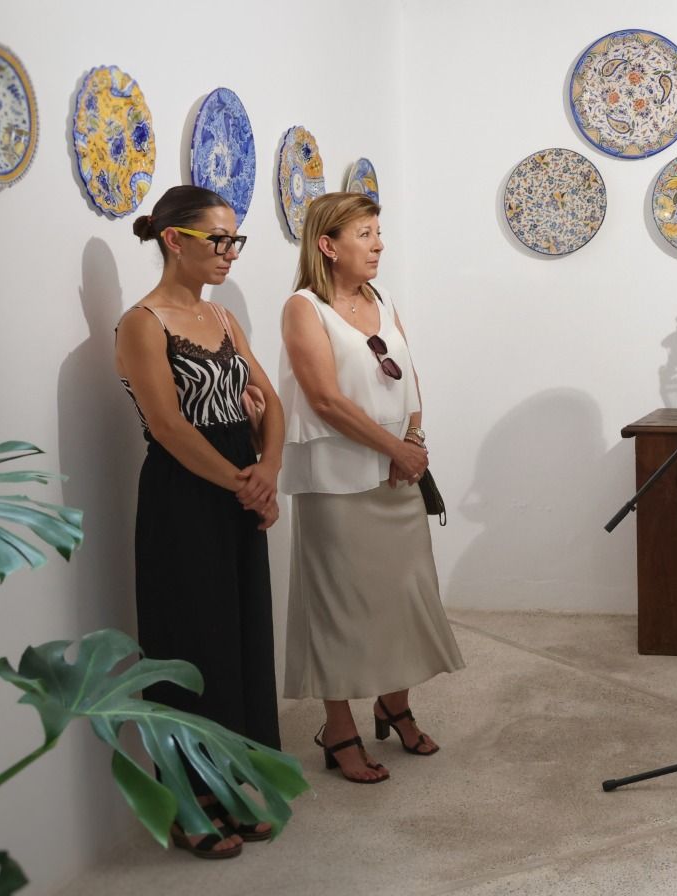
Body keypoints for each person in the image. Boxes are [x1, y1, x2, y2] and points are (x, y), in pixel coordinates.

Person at [115, 185, 283, 858]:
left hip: (241, 488)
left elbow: (269, 400)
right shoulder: (142, 321)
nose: (228, 253)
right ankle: (188, 804)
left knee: (240, 639)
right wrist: (246, 481)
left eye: (234, 240)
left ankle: (233, 784)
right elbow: (167, 426)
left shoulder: (223, 319)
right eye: (217, 239)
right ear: (172, 239)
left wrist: (267, 467)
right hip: (183, 499)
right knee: (191, 644)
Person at [279, 192, 464, 784]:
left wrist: (413, 442)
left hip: (396, 471)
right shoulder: (303, 308)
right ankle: (338, 730)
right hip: (338, 483)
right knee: (341, 607)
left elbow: (410, 375)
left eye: (378, 232)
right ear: (328, 246)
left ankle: (395, 703)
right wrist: (395, 452)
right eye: (365, 233)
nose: (379, 243)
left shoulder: (379, 300)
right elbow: (326, 399)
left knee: (404, 596)